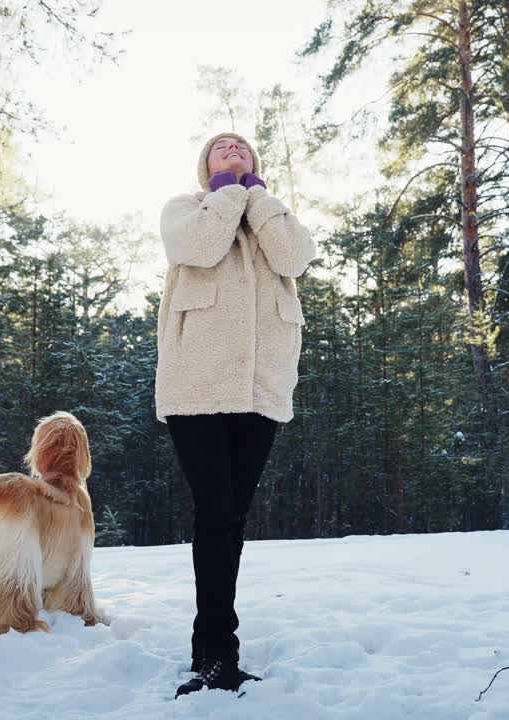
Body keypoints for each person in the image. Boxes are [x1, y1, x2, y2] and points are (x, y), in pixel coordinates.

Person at [155, 131, 317, 697]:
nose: (234, 150)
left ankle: (217, 648)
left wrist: (261, 200)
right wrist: (225, 193)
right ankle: (215, 654)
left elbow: (296, 257)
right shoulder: (186, 208)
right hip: (197, 387)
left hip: (262, 388)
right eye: (222, 148)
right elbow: (197, 249)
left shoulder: (274, 217)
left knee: (231, 521)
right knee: (216, 514)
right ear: (205, 166)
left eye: (243, 148)